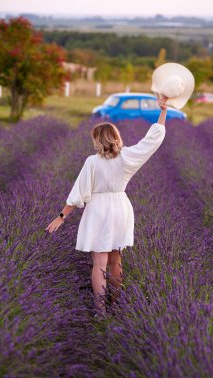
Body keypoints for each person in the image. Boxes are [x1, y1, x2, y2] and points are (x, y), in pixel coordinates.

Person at [45, 95, 168, 318]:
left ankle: (100, 312)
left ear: (98, 140)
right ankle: (115, 302)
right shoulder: (127, 156)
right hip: (120, 207)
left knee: (98, 264)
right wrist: (163, 111)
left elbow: (78, 193)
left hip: (99, 210)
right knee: (116, 259)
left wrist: (61, 216)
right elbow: (151, 141)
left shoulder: (92, 162)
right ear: (116, 137)